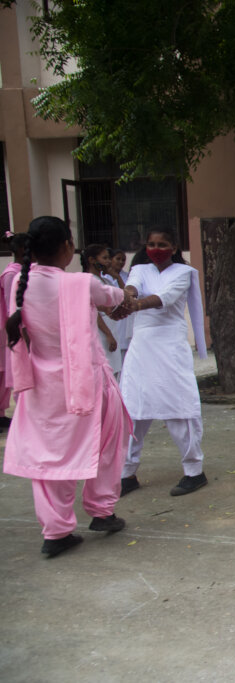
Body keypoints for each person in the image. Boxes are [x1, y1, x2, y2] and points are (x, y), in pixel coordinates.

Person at [2, 216, 131, 557]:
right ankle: (102, 511)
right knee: (105, 443)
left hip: (40, 386)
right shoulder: (79, 284)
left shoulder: (17, 282)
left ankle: (56, 533)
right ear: (67, 247)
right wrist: (128, 291)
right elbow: (114, 296)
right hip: (85, 380)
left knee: (48, 457)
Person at [118, 228, 209, 497]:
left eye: (162, 244)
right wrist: (128, 296)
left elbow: (165, 298)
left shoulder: (183, 272)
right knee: (132, 409)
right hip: (141, 345)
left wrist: (135, 305)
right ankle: (127, 473)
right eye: (151, 244)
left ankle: (194, 471)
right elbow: (131, 288)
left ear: (174, 246)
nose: (156, 248)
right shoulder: (140, 270)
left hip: (169, 346)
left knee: (178, 408)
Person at [0, 231, 30, 429]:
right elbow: (14, 307)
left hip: (22, 329)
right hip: (12, 330)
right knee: (14, 374)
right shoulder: (12, 273)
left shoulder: (25, 270)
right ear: (21, 250)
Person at [81, 244, 122, 377]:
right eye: (104, 258)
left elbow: (126, 297)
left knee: (114, 370)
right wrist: (108, 334)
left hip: (111, 328)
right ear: (92, 260)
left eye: (109, 258)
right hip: (101, 332)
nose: (108, 261)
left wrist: (117, 277)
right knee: (105, 370)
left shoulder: (105, 280)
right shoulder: (89, 280)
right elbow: (91, 309)